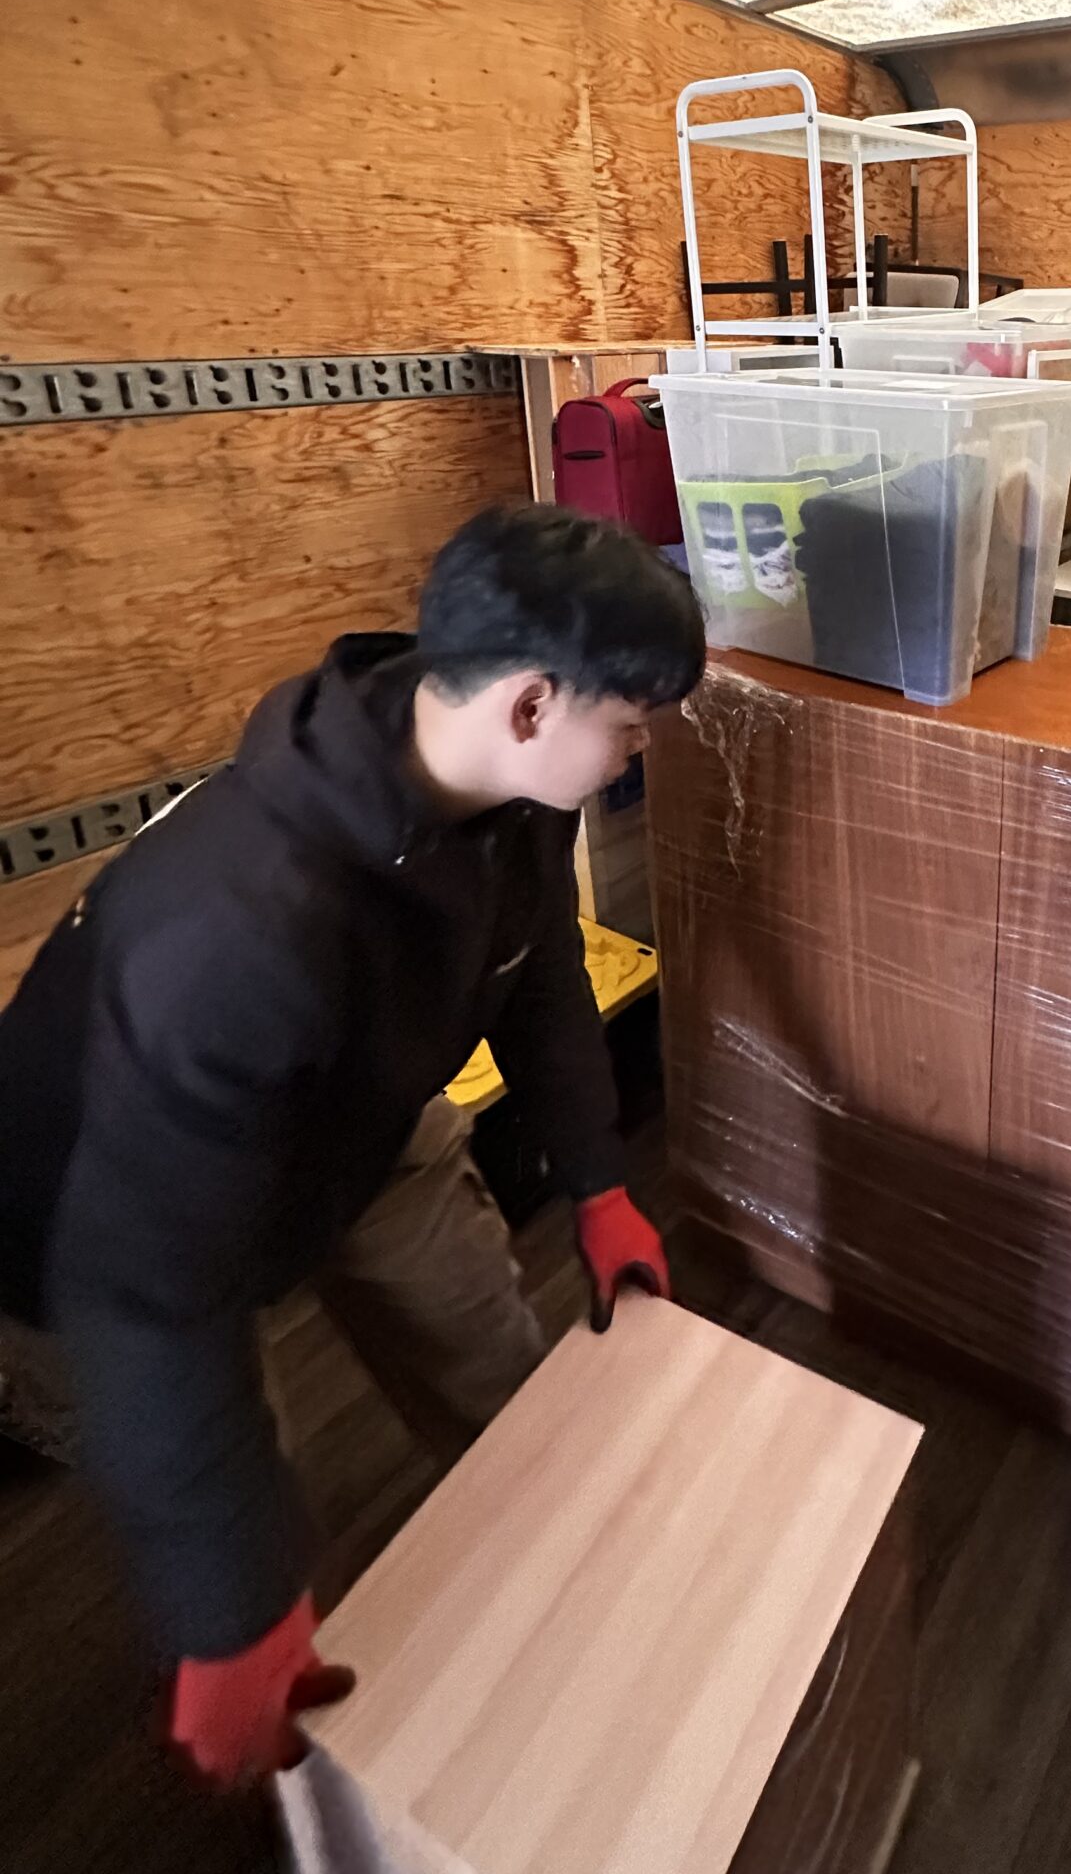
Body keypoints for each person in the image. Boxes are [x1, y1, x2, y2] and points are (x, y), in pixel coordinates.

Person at [0, 502, 706, 1786]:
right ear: (535, 705)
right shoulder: (241, 919)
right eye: (634, 717)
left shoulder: (512, 787)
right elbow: (145, 1292)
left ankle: (571, 1637)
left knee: (503, 1386)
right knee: (238, 1538)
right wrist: (232, 1615)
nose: (641, 742)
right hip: (99, 1236)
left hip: (363, 1119)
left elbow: (536, 965)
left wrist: (598, 1177)